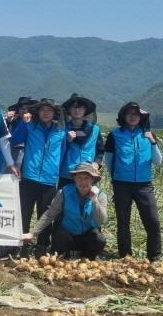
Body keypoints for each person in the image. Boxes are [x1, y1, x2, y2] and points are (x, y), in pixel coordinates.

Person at [104, 102, 163, 261]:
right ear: (123, 116)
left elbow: (158, 161)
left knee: (152, 221)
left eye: (136, 114)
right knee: (123, 222)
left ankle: (155, 257)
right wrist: (116, 177)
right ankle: (125, 256)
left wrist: (153, 142)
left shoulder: (148, 134)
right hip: (121, 184)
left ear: (141, 117)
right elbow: (108, 161)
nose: (133, 116)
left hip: (144, 185)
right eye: (129, 113)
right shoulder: (115, 135)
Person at [10, 98, 67, 255]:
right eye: (43, 110)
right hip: (29, 177)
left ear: (54, 113)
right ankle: (21, 244)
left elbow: (62, 154)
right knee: (24, 213)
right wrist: (23, 123)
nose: (46, 113)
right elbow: (14, 140)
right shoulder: (31, 127)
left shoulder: (61, 131)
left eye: (49, 110)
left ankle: (42, 245)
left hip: (49, 180)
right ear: (38, 112)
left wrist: (55, 171)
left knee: (46, 215)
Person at [21, 162, 107, 260]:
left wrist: (94, 200)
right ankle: (65, 256)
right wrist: (32, 233)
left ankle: (87, 257)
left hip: (87, 236)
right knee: (60, 235)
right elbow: (50, 214)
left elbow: (102, 221)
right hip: (67, 234)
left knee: (99, 239)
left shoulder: (101, 196)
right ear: (74, 179)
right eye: (79, 178)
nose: (82, 182)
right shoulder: (64, 192)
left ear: (93, 180)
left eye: (86, 178)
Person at [59, 94, 103, 188]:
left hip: (88, 175)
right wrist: (67, 141)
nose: (77, 110)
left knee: (88, 202)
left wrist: (97, 163)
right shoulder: (62, 130)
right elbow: (56, 151)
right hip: (66, 175)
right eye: (74, 107)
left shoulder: (95, 130)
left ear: (85, 110)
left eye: (81, 107)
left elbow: (100, 151)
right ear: (69, 110)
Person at [6, 97, 38, 166]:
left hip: (31, 156)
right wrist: (7, 122)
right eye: (22, 108)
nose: (25, 111)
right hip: (14, 155)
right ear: (18, 110)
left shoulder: (36, 123)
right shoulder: (11, 121)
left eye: (28, 109)